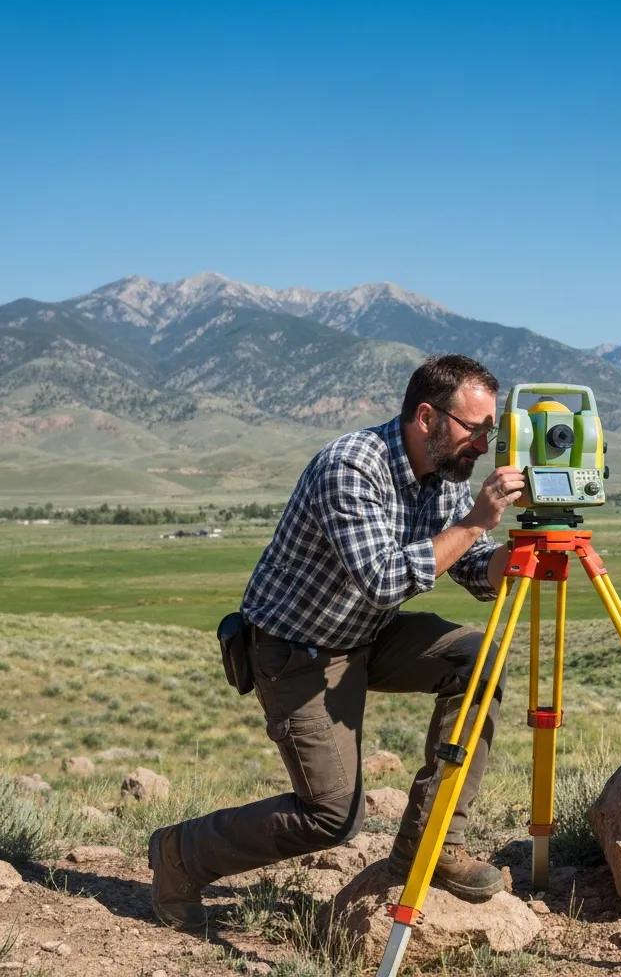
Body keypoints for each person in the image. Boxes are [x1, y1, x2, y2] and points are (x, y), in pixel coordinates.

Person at [148, 354, 527, 931]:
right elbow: (382, 578)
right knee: (330, 818)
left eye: (489, 431)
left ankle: (431, 842)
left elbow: (471, 566)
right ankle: (180, 853)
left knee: (478, 658)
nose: (483, 444)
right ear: (427, 417)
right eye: (474, 429)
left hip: (365, 635)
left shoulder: (446, 479)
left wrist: (517, 555)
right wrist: (477, 521)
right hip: (297, 650)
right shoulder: (351, 467)